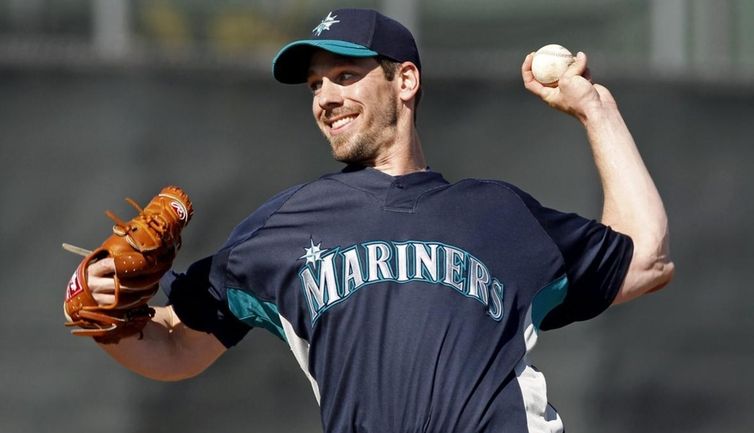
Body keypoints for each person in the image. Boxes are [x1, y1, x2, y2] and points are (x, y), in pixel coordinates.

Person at [84, 8, 674, 433]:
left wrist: (596, 109)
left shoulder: (501, 215)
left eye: (345, 76)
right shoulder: (284, 229)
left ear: (406, 81)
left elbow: (646, 258)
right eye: (315, 84)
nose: (325, 98)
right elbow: (175, 345)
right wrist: (104, 312)